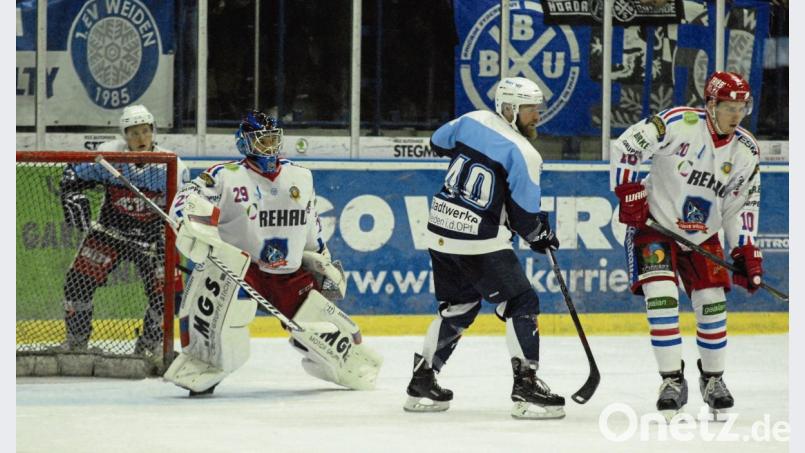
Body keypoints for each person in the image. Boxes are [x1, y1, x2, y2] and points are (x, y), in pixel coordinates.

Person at [163, 110, 382, 396]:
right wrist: (192, 223)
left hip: (287, 271)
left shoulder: (300, 176)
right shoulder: (226, 176)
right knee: (219, 320)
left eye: (272, 139)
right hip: (242, 269)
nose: (269, 147)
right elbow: (186, 197)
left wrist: (320, 257)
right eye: (261, 141)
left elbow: (310, 220)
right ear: (244, 144)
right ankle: (204, 362)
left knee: (319, 329)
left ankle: (346, 361)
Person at [403, 77, 565, 420]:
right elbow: (525, 221)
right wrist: (541, 235)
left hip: (440, 229)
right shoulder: (524, 154)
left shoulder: (471, 120)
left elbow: (437, 143)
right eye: (530, 109)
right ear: (509, 110)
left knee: (460, 304)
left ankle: (423, 379)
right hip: (477, 240)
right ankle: (526, 384)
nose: (537, 116)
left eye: (537, 108)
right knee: (522, 301)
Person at [609, 71, 762, 420]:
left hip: (703, 234)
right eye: (728, 107)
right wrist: (629, 191)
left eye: (742, 107)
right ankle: (670, 381)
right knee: (662, 296)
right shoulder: (679, 122)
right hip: (655, 226)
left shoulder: (746, 150)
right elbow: (627, 146)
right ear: (710, 104)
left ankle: (713, 380)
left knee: (711, 304)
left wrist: (745, 248)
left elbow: (742, 206)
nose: (736, 115)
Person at [60, 105, 190, 360]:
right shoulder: (108, 157)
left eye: (145, 131)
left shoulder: (172, 166)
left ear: (153, 131)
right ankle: (76, 344)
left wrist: (176, 233)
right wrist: (72, 194)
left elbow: (182, 208)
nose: (141, 138)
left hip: (154, 239)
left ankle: (150, 345)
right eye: (133, 133)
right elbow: (71, 173)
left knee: (169, 296)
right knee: (77, 284)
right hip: (110, 232)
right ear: (124, 136)